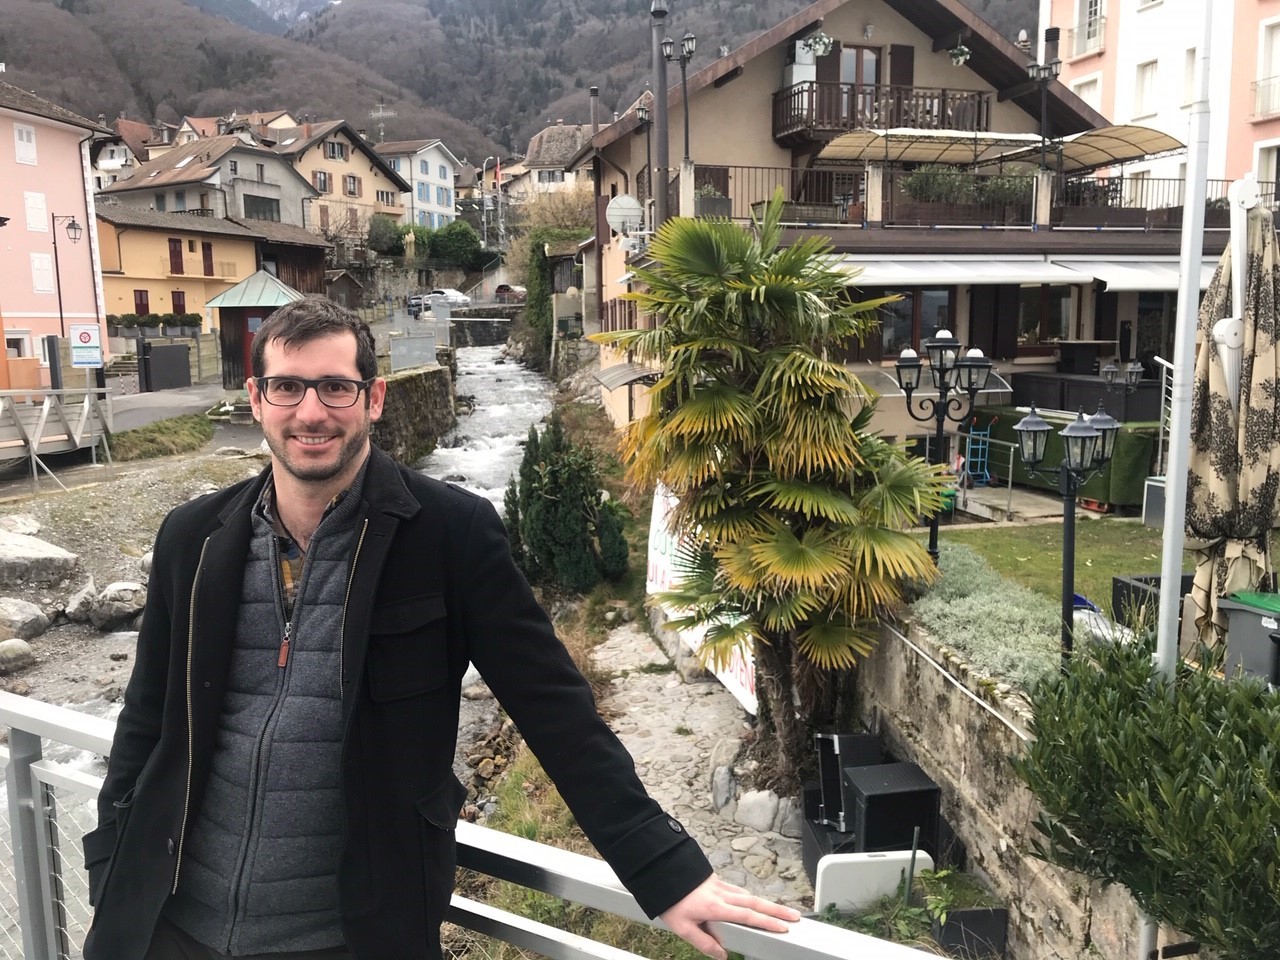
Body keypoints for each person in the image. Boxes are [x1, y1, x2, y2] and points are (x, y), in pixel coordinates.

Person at [81, 296, 799, 960]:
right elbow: (146, 718)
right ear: (258, 400)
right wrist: (110, 858)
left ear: (374, 398)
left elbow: (553, 707)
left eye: (336, 387)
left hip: (348, 935)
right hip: (168, 925)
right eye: (288, 387)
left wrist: (662, 868)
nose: (312, 411)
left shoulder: (449, 535)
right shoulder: (193, 537)